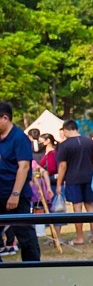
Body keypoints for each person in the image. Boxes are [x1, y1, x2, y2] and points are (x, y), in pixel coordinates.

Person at [0, 101, 40, 262]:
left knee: (25, 235)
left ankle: (32, 268)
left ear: (5, 118)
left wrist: (15, 194)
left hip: (16, 196)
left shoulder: (19, 138)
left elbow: (23, 167)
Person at [55, 119, 93, 245]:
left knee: (77, 208)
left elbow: (62, 166)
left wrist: (59, 183)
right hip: (89, 177)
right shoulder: (89, 141)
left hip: (73, 178)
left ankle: (80, 237)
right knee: (90, 206)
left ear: (66, 130)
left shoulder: (64, 145)